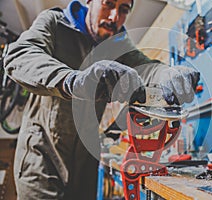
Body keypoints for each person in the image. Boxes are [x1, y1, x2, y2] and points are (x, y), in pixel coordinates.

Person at [4, 0, 200, 199]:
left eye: (124, 9)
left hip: (85, 160)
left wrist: (166, 74)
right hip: (42, 157)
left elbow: (146, 67)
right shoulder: (55, 22)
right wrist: (74, 81)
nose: (115, 16)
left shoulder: (118, 43)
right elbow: (20, 56)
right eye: (108, 4)